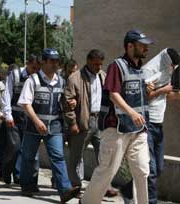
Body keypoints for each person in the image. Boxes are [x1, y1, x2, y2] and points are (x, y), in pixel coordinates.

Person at [80, 29, 154, 204]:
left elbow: (138, 98)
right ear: (130, 46)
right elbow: (113, 93)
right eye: (142, 45)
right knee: (107, 171)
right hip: (117, 129)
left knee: (142, 170)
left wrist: (148, 91)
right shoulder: (117, 66)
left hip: (138, 129)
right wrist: (131, 112)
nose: (146, 48)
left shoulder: (141, 70)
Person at [18, 48, 80, 203]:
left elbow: (65, 102)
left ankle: (65, 190)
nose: (55, 64)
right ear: (43, 62)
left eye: (57, 61)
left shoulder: (62, 81)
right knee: (28, 156)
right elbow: (26, 104)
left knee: (58, 157)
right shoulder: (32, 80)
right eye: (51, 61)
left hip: (55, 127)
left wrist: (72, 102)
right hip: (34, 126)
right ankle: (27, 185)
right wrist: (37, 121)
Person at [64, 49, 117, 198]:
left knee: (105, 156)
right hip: (83, 122)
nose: (98, 67)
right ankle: (75, 187)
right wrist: (72, 123)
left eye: (100, 64)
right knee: (76, 156)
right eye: (95, 64)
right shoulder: (75, 78)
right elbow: (67, 103)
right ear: (87, 61)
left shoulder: (103, 76)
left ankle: (105, 187)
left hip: (100, 121)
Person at [142, 48, 180, 204]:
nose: (173, 68)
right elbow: (143, 99)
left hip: (159, 123)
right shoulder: (149, 71)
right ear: (166, 60)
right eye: (173, 65)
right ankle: (151, 201)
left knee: (158, 167)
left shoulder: (167, 71)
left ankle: (128, 189)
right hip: (147, 122)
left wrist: (172, 93)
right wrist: (162, 90)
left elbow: (168, 96)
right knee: (151, 169)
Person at [1, 56, 41, 184]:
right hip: (15, 117)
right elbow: (7, 94)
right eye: (33, 67)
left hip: (30, 118)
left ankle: (19, 175)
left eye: (38, 68)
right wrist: (8, 115)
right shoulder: (16, 75)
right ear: (27, 64)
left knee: (26, 149)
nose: (35, 71)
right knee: (15, 147)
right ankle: (6, 172)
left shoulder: (38, 77)